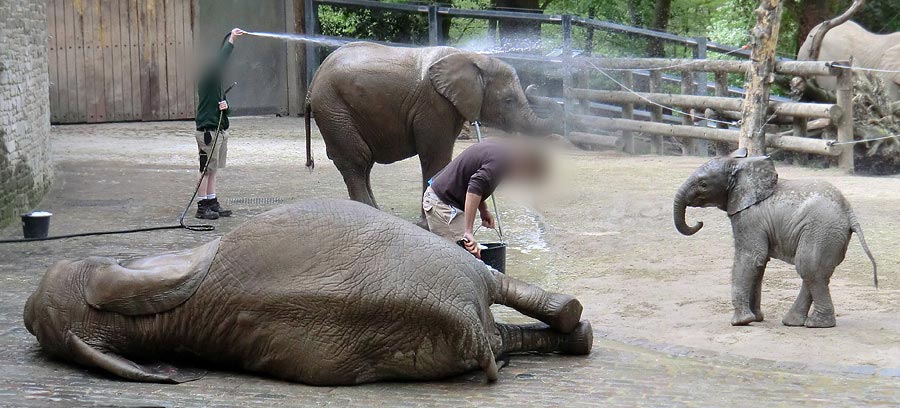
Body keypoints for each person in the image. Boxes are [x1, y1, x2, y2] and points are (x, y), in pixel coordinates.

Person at [423, 139, 546, 257]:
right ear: (523, 165)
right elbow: (474, 188)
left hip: (444, 200)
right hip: (442, 204)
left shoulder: (502, 152)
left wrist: (484, 210)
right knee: (460, 258)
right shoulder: (499, 163)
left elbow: (477, 182)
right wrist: (468, 231)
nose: (520, 181)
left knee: (465, 255)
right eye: (525, 178)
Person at [193, 28, 244, 220]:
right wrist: (231, 39)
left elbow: (225, 109)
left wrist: (226, 106)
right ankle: (202, 206)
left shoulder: (217, 85)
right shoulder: (208, 78)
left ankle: (212, 202)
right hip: (208, 132)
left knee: (213, 170)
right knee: (205, 170)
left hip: (220, 131)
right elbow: (220, 60)